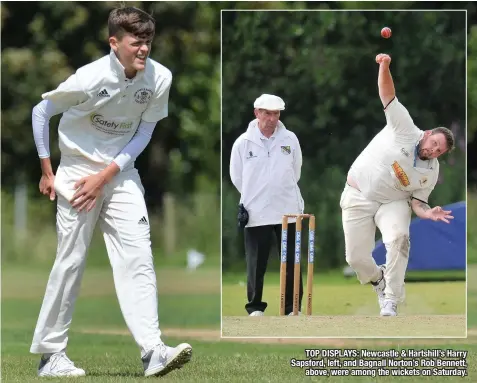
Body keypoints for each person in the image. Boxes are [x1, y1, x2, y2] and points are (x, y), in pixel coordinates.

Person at [30, 7, 192, 377]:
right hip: (76, 173)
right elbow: (42, 112)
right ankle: (51, 356)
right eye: (136, 43)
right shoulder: (90, 77)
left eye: (148, 42)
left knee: (139, 255)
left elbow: (145, 133)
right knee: (70, 261)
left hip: (119, 173)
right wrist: (47, 171)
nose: (144, 50)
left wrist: (107, 175)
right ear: (114, 42)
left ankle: (153, 351)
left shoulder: (159, 78)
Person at [341, 53, 455, 317]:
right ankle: (378, 280)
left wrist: (427, 213)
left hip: (393, 202)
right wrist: (384, 66)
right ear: (427, 135)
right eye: (434, 144)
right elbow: (387, 95)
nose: (434, 151)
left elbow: (418, 201)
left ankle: (391, 299)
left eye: (439, 151)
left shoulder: (431, 171)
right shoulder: (404, 127)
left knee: (399, 239)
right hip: (358, 194)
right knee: (356, 259)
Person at [230, 94, 305, 316]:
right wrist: (256, 195)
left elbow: (296, 171)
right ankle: (255, 307)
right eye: (267, 113)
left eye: (276, 113)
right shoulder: (243, 143)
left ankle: (292, 308)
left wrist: (279, 190)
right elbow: (237, 177)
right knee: (256, 263)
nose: (272, 118)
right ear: (257, 113)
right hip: (256, 211)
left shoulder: (290, 139)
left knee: (292, 260)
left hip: (288, 208)